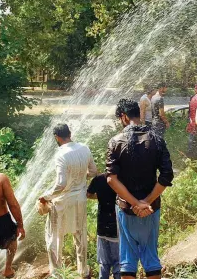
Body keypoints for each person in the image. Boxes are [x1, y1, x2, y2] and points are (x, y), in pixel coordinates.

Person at [107, 99, 174, 279]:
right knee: (151, 256)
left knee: (127, 260)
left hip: (126, 209)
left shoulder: (115, 141)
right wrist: (146, 202)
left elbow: (111, 180)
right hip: (151, 209)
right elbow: (167, 176)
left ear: (124, 117)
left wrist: (135, 203)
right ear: (138, 114)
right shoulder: (157, 140)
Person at [39, 124, 97, 278]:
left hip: (62, 201)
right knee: (80, 233)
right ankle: (83, 271)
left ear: (57, 137)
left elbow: (61, 184)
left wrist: (46, 196)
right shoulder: (84, 148)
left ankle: (57, 273)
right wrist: (80, 179)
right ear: (70, 133)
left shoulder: (60, 154)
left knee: (54, 236)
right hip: (80, 198)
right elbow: (93, 171)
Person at [87, 174, 120, 279]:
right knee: (118, 262)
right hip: (116, 223)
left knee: (103, 262)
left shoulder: (98, 179)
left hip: (102, 223)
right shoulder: (121, 178)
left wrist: (100, 196)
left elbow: (88, 194)